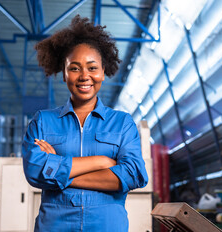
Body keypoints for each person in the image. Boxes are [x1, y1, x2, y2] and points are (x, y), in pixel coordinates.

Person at [22, 15, 148, 231]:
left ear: (103, 72)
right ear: (63, 73)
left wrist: (58, 172)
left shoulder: (122, 123)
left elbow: (133, 174)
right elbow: (35, 170)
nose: (84, 76)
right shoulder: (43, 121)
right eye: (74, 68)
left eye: (92, 68)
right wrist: (101, 161)